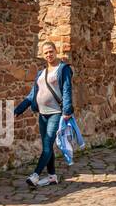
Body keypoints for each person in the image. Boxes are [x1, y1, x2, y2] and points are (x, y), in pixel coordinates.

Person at [13, 41, 74, 187]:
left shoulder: (63, 69)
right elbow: (32, 95)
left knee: (47, 145)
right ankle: (52, 176)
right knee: (48, 145)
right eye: (45, 52)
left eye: (51, 51)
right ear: (43, 55)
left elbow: (67, 90)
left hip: (56, 113)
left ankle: (35, 175)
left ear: (56, 51)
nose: (49, 54)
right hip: (42, 115)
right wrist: (18, 110)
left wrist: (67, 111)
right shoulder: (41, 73)